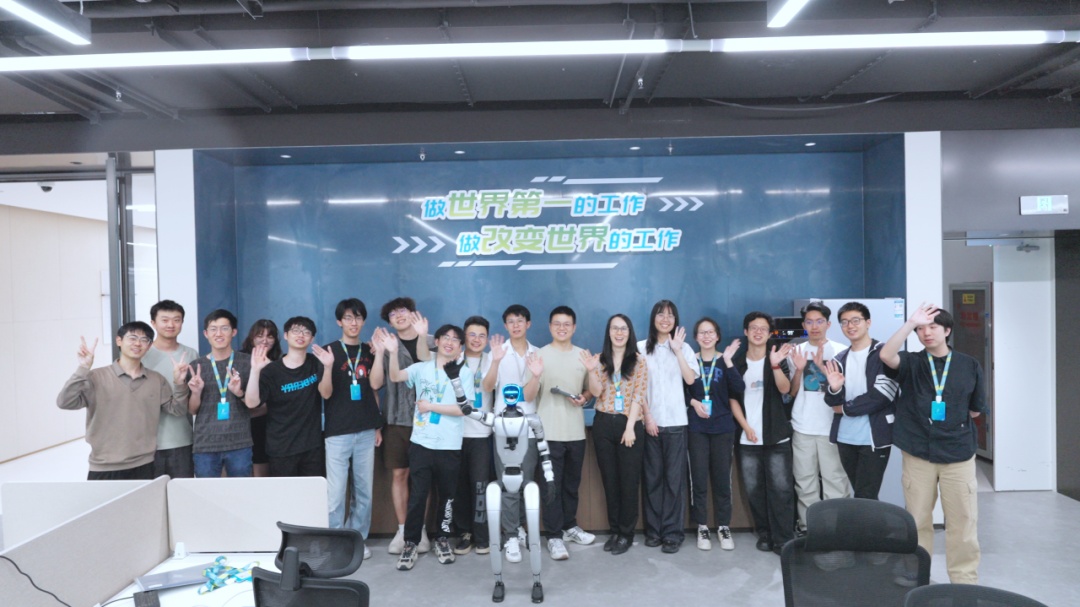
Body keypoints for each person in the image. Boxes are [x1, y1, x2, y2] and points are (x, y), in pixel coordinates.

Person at [879, 303, 987, 584]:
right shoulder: (912, 363)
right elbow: (886, 355)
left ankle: (964, 582)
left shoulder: (969, 365)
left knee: (963, 521)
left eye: (933, 327)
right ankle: (918, 577)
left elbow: (976, 410)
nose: (926, 333)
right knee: (917, 520)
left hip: (958, 454)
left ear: (947, 331)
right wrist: (908, 323)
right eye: (920, 329)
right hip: (918, 453)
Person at [380, 324, 475, 571]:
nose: (450, 342)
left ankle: (442, 539)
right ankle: (410, 543)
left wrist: (431, 407)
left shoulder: (464, 373)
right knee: (418, 496)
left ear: (460, 347)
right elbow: (395, 377)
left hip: (450, 445)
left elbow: (464, 409)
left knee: (447, 496)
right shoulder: (421, 368)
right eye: (446, 338)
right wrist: (392, 352)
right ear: (437, 342)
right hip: (421, 443)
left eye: (456, 340)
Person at [57, 322, 190, 480]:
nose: (138, 343)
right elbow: (65, 402)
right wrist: (83, 368)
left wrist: (179, 383)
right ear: (119, 341)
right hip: (104, 465)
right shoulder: (96, 377)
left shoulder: (156, 379)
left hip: (145, 464)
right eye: (132, 338)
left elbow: (178, 410)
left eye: (144, 340)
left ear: (149, 346)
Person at [525, 305, 594, 560]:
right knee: (551, 488)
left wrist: (584, 397)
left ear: (574, 327)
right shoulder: (539, 356)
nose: (562, 328)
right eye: (557, 323)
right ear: (550, 326)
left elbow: (590, 390)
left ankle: (569, 527)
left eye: (567, 324)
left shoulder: (583, 355)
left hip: (576, 433)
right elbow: (528, 396)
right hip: (549, 433)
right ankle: (554, 537)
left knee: (571, 485)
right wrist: (535, 376)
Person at [369, 297, 433, 554]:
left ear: (413, 314)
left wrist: (423, 336)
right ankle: (403, 528)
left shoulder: (431, 341)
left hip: (427, 420)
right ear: (389, 322)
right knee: (399, 475)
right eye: (393, 314)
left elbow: (432, 369)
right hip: (395, 420)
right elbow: (375, 384)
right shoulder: (386, 345)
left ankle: (420, 530)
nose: (399, 316)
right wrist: (380, 352)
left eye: (403, 311)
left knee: (422, 477)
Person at [581, 314, 647, 555]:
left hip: (629, 424)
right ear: (608, 332)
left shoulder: (638, 361)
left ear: (629, 333)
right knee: (610, 481)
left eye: (623, 329)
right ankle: (616, 531)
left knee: (628, 482)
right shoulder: (600, 360)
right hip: (603, 423)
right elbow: (597, 392)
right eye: (615, 328)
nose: (619, 333)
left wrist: (630, 428)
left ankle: (626, 534)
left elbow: (639, 395)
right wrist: (591, 371)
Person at [323, 298, 383, 561]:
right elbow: (325, 393)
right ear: (339, 321)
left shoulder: (369, 351)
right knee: (335, 494)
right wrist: (327, 367)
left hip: (366, 430)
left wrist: (380, 354)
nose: (353, 322)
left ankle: (357, 540)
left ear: (363, 320)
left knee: (364, 492)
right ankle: (336, 541)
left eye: (358, 317)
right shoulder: (329, 351)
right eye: (348, 317)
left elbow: (375, 386)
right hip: (337, 431)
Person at [637, 299, 699, 554]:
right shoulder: (640, 348)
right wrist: (648, 416)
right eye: (661, 314)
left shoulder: (684, 348)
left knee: (674, 482)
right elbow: (637, 387)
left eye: (670, 315)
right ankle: (653, 531)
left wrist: (677, 351)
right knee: (652, 480)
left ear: (676, 320)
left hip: (676, 423)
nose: (665, 319)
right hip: (649, 422)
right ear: (653, 318)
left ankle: (673, 534)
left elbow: (690, 379)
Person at [732, 312, 796, 555]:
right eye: (753, 327)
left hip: (776, 435)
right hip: (747, 438)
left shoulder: (778, 356)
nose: (758, 332)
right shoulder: (737, 362)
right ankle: (765, 534)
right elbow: (732, 399)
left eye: (763, 328)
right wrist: (746, 427)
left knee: (781, 489)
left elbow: (785, 389)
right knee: (754, 490)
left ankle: (783, 538)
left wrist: (776, 364)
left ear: (770, 334)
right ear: (746, 332)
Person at [822, 302, 899, 499]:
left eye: (856, 320)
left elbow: (881, 396)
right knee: (861, 495)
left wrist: (845, 409)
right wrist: (834, 389)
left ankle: (869, 521)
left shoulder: (884, 354)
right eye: (845, 322)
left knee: (866, 495)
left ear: (868, 323)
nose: (850, 326)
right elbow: (831, 400)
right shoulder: (839, 359)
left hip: (874, 437)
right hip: (845, 437)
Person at [686, 318, 749, 551]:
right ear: (696, 337)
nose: (706, 336)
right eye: (702, 332)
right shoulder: (690, 360)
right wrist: (693, 402)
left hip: (723, 428)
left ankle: (723, 526)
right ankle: (702, 526)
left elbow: (739, 389)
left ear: (718, 336)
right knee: (698, 479)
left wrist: (730, 362)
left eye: (710, 332)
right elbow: (681, 391)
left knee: (723, 480)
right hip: (697, 429)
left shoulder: (725, 360)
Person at [484, 304, 540, 564]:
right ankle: (510, 536)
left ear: (528, 324)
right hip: (504, 429)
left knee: (526, 482)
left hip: (528, 427)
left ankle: (519, 527)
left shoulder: (537, 353)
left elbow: (532, 394)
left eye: (520, 320)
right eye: (510, 321)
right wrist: (495, 361)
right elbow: (487, 386)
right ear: (505, 326)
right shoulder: (497, 352)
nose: (515, 325)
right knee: (507, 483)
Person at [245, 316, 334, 477]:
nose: (301, 335)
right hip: (281, 448)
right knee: (285, 492)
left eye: (306, 332)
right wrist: (255, 370)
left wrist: (328, 368)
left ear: (312, 339)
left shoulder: (315, 363)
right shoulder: (271, 370)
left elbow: (326, 394)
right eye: (296, 331)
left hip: (312, 447)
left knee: (311, 491)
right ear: (286, 335)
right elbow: (251, 403)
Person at [789, 301, 850, 534]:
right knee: (805, 482)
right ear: (804, 325)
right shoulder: (796, 351)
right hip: (802, 426)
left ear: (828, 324)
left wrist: (823, 370)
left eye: (819, 321)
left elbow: (845, 391)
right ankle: (809, 528)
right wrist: (798, 369)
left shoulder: (842, 351)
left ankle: (836, 530)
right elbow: (792, 392)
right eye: (809, 322)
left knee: (835, 480)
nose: (814, 326)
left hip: (831, 427)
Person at [187, 309, 253, 478]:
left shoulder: (247, 362)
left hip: (239, 441)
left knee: (241, 491)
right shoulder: (195, 366)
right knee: (206, 492)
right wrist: (196, 392)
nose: (219, 334)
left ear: (234, 332)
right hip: (205, 443)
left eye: (224, 328)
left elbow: (254, 403)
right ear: (205, 334)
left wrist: (239, 392)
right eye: (213, 329)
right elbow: (192, 410)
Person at [452, 315, 495, 556]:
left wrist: (496, 361)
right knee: (459, 487)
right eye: (472, 335)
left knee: (480, 486)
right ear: (464, 337)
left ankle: (481, 534)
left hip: (481, 434)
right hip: (455, 434)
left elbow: (489, 387)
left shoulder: (492, 359)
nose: (477, 339)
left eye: (481, 335)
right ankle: (464, 533)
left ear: (487, 339)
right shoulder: (454, 359)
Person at [142, 299, 199, 479]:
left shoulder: (191, 354)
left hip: (182, 439)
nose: (171, 325)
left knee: (181, 492)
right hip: (146, 443)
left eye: (176, 320)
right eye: (165, 320)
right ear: (153, 323)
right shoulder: (141, 355)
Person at [240, 320, 281, 477]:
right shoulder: (239, 359)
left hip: (265, 427)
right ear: (252, 338)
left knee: (261, 475)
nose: (265, 340)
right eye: (260, 335)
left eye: (270, 336)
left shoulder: (279, 363)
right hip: (238, 424)